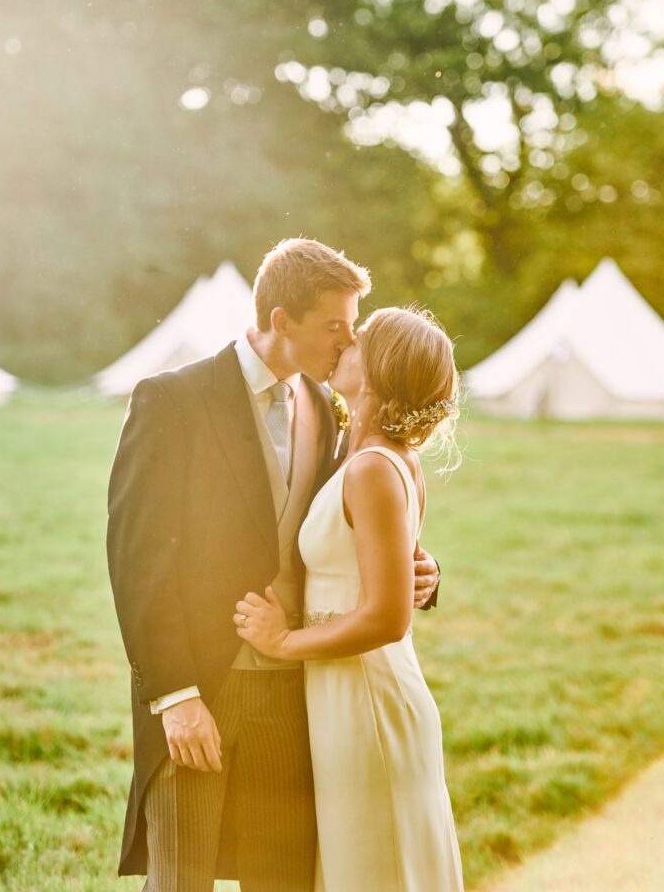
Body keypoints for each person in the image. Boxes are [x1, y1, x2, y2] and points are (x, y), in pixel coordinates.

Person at [106, 239, 441, 892]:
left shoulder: (327, 408)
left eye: (353, 327)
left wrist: (419, 572)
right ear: (280, 320)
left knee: (282, 876)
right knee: (183, 875)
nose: (348, 345)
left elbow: (353, 532)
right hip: (200, 681)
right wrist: (175, 698)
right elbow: (138, 559)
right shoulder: (172, 399)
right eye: (334, 327)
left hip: (296, 690)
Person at [234, 305, 465, 892]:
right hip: (342, 690)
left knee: (376, 865)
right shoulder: (362, 455)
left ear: (381, 368)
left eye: (357, 341)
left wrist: (283, 642)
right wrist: (426, 567)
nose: (343, 346)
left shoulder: (373, 468)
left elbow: (387, 617)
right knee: (359, 863)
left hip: (367, 694)